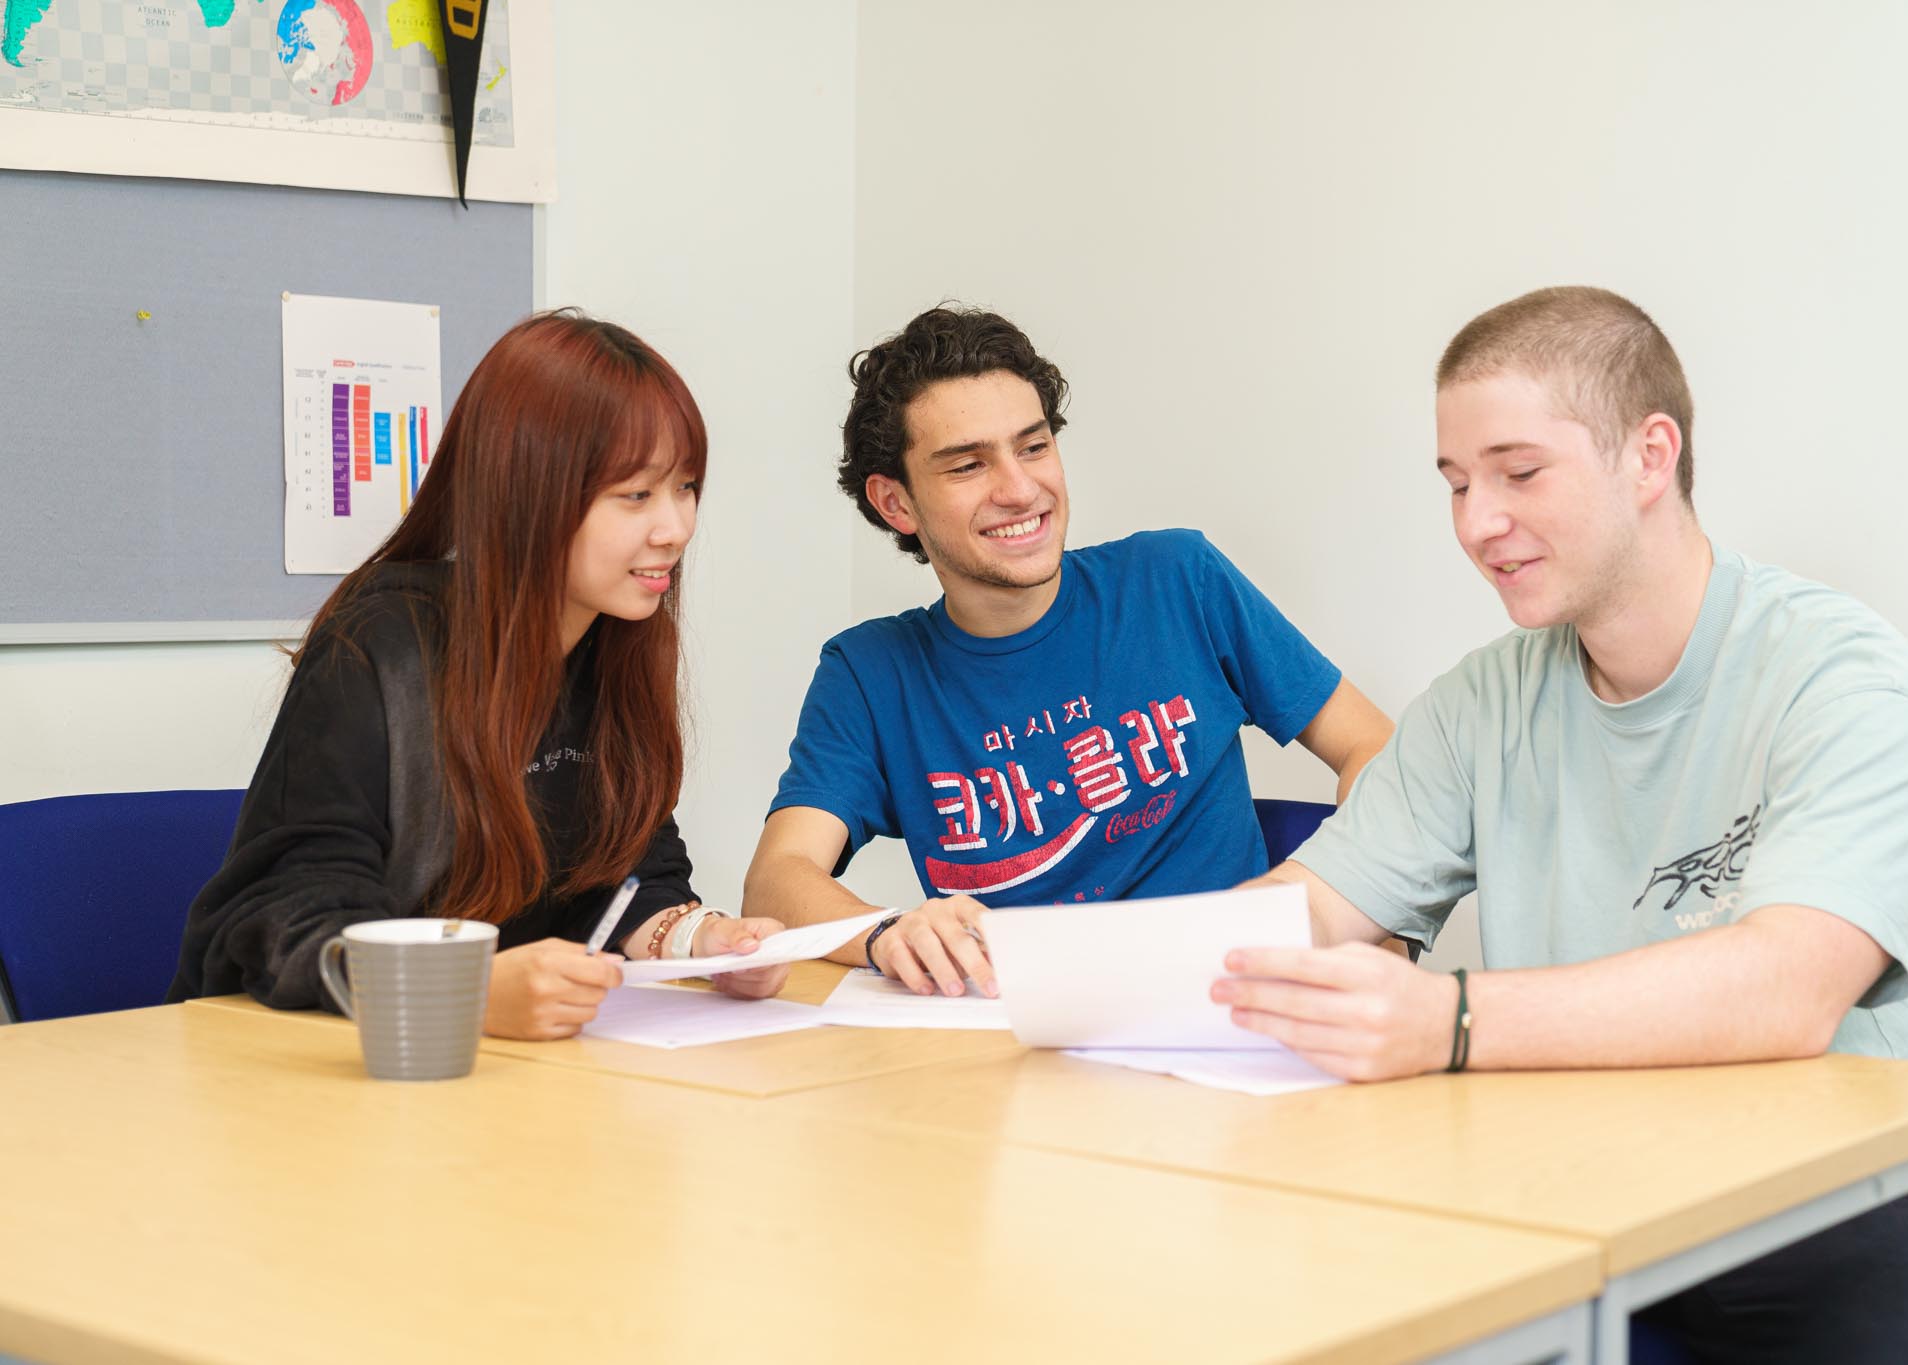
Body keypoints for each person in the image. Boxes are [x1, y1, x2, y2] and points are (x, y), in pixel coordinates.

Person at [1212, 285, 1908, 1361]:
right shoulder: (1479, 703)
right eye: (1456, 484)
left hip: (1850, 1208)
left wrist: (1446, 1021)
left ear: (1649, 457)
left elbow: (1786, 991)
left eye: (1516, 473)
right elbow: (1299, 913)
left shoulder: (1842, 678)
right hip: (1571, 1180)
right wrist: (1020, 960)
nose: (1475, 523)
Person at [742, 305, 1393, 997]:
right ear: (896, 504)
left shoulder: (1177, 578)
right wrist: (886, 931)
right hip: (1023, 1035)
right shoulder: (870, 673)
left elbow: (1375, 749)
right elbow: (776, 879)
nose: (1020, 488)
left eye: (1033, 445)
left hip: (1227, 1003)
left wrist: (1359, 904)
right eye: (968, 464)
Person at [169, 311, 788, 1038]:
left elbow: (627, 878)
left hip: (502, 1080)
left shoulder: (611, 642)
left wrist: (702, 940)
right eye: (636, 495)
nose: (676, 527)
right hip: (305, 1072)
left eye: (685, 487)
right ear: (532, 493)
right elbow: (291, 917)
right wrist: (463, 990)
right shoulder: (380, 647)